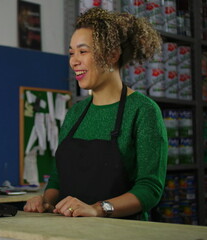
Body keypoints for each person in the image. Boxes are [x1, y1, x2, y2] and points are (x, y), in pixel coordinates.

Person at [24, 8, 167, 220]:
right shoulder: (76, 113)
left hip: (123, 233)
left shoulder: (143, 110)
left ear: (112, 55)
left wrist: (98, 209)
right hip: (70, 231)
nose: (74, 61)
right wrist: (46, 200)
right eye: (72, 53)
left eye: (83, 52)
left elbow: (149, 189)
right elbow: (57, 179)